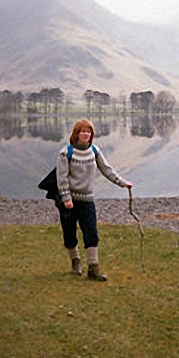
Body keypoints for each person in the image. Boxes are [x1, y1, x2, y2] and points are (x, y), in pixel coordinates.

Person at [56, 118, 132, 281]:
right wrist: (66, 198)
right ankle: (75, 261)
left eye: (88, 132)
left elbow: (106, 170)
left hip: (87, 200)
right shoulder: (66, 152)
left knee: (91, 233)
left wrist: (122, 183)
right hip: (69, 201)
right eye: (82, 131)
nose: (86, 134)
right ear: (76, 134)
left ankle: (93, 268)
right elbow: (61, 178)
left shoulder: (95, 151)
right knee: (69, 234)